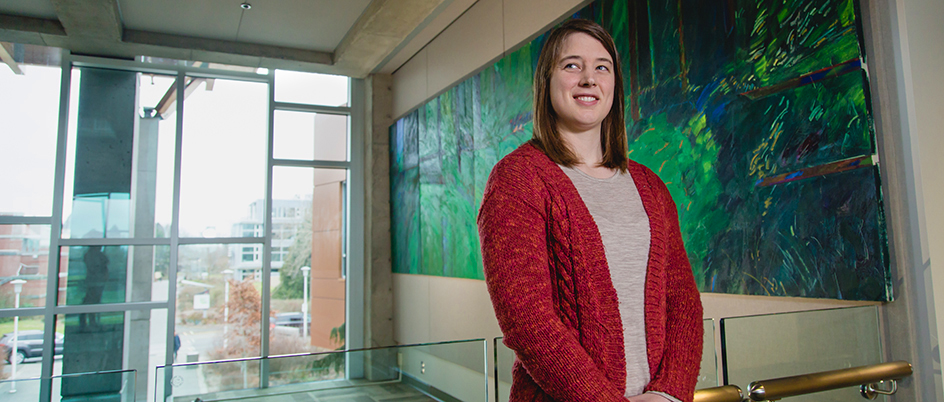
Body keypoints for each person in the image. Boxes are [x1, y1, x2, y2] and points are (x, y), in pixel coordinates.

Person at [477, 19, 703, 402]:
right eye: (571, 65)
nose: (588, 79)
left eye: (602, 66)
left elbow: (683, 302)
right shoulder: (517, 178)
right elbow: (527, 319)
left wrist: (669, 394)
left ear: (614, 83)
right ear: (546, 81)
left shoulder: (650, 186)